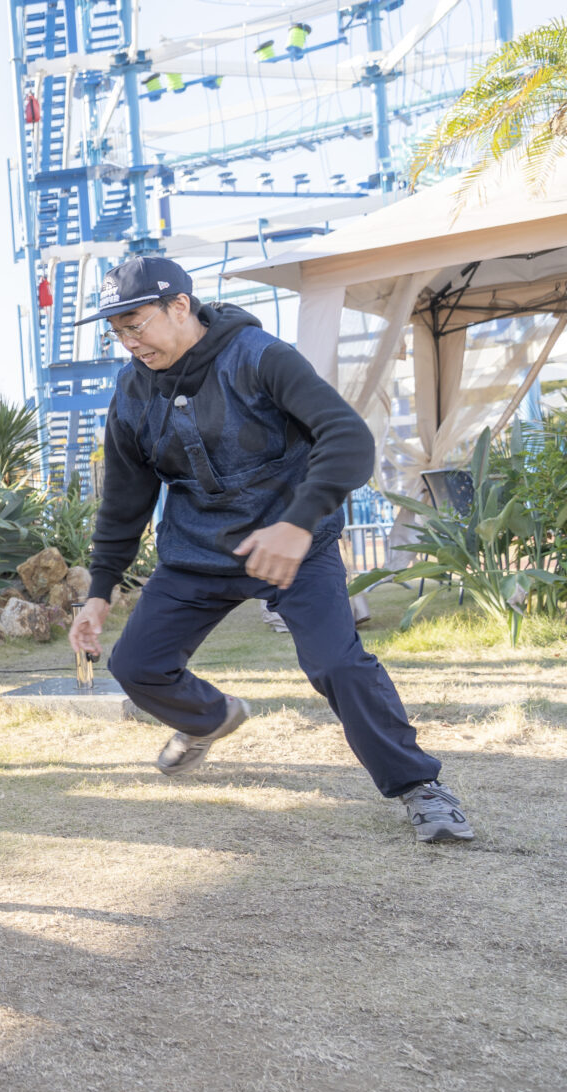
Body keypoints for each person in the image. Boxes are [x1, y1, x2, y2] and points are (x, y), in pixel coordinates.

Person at [67, 257, 473, 844]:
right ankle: (208, 719)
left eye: (136, 325)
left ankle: (421, 788)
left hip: (294, 548)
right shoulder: (131, 392)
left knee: (337, 665)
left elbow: (348, 438)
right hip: (197, 556)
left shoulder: (259, 356)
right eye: (117, 333)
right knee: (135, 666)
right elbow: (126, 500)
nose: (129, 343)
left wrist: (299, 523)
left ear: (179, 306)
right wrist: (99, 593)